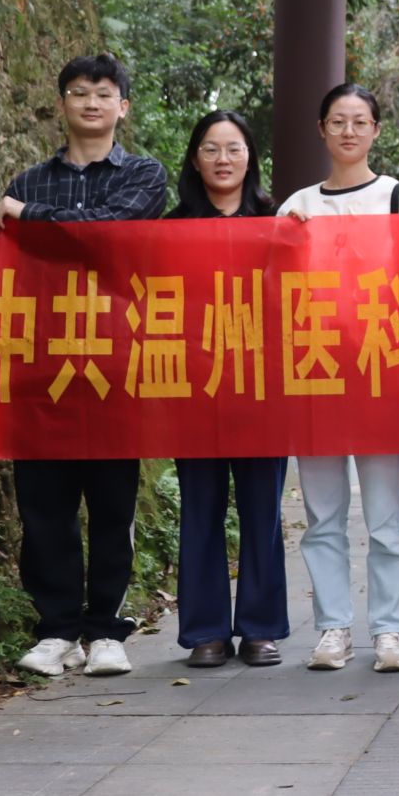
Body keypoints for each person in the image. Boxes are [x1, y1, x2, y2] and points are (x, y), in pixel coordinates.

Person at [0, 54, 168, 678]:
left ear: (122, 107)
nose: (91, 102)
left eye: (104, 93)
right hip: (42, 365)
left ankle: (107, 630)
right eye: (79, 92)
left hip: (115, 363)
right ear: (62, 103)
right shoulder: (30, 181)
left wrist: (26, 215)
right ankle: (58, 629)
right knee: (43, 504)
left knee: (113, 503)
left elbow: (109, 230)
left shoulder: (142, 175)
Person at [279, 82, 399, 673]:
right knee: (322, 515)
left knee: (387, 515)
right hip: (315, 374)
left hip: (380, 373)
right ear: (321, 129)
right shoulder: (298, 205)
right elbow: (274, 291)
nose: (348, 131)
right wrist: (284, 243)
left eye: (360, 121)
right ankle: (333, 628)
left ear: (376, 130)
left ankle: (390, 630)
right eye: (337, 121)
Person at [167, 110, 289, 668]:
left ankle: (260, 629)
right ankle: (206, 631)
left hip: (263, 387)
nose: (223, 159)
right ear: (195, 160)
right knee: (201, 508)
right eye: (211, 149)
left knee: (263, 510)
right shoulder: (170, 226)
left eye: (234, 148)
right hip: (193, 385)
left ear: (250, 159)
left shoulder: (276, 220)